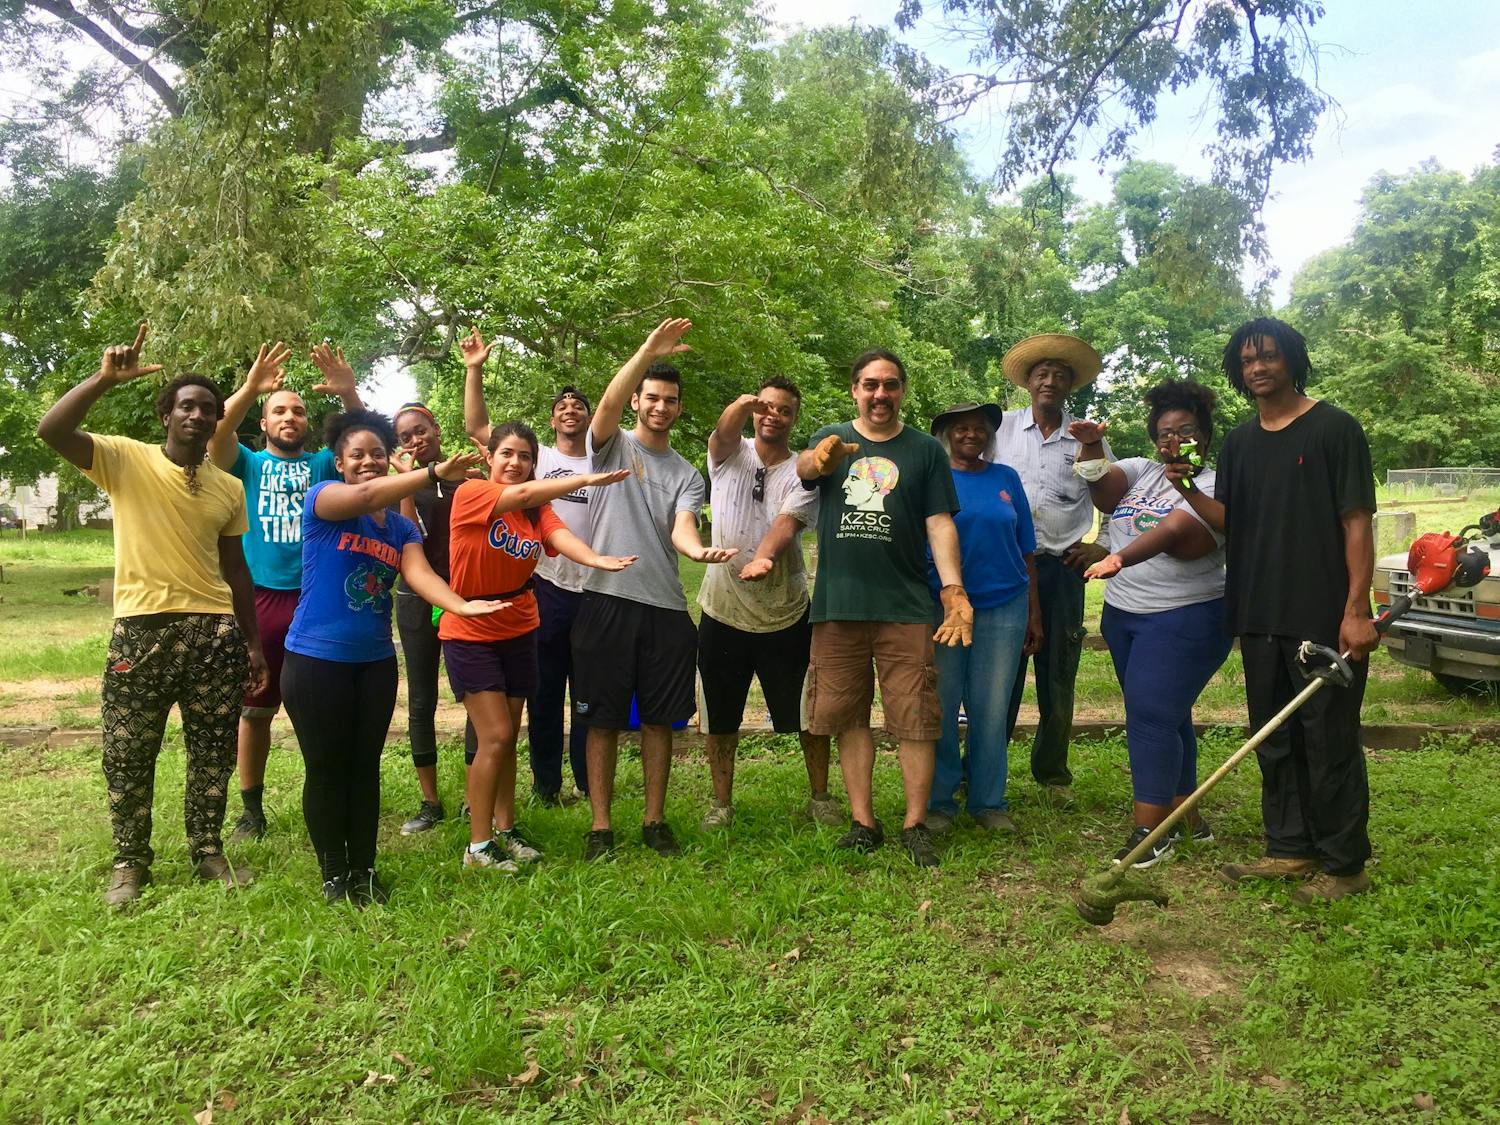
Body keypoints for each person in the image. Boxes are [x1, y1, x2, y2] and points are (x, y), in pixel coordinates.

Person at [37, 325, 268, 907]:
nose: (196, 415)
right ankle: (130, 861)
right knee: (127, 750)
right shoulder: (123, 459)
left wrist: (254, 643)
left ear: (218, 422)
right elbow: (52, 430)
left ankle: (208, 849)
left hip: (213, 632)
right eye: (185, 405)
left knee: (212, 749)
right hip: (141, 632)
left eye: (208, 410)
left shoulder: (228, 488)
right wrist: (102, 379)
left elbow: (236, 570)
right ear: (167, 413)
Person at [1171, 319, 1378, 904]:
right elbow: (1232, 522)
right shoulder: (1239, 442)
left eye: (1268, 356)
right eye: (1245, 360)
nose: (1257, 368)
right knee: (1275, 736)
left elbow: (1356, 521)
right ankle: (1289, 847)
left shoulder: (1335, 428)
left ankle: (1344, 865)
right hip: (1259, 612)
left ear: (1292, 359)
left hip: (1322, 613)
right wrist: (1187, 489)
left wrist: (1355, 609)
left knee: (1329, 739)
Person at [279, 409, 505, 905]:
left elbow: (419, 576)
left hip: (375, 662)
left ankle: (364, 869)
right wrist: (429, 474)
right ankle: (334, 874)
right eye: (356, 455)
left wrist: (460, 604)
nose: (367, 462)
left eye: (377, 454)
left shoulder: (401, 530)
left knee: (365, 766)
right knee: (327, 768)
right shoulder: (325, 502)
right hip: (316, 660)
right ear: (339, 463)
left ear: (388, 459)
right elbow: (362, 496)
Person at [796, 349, 974, 868]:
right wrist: (818, 459)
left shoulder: (924, 451)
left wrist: (954, 590)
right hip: (839, 606)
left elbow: (939, 523)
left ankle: (915, 824)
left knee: (916, 717)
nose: (880, 394)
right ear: (854, 389)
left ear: (901, 391)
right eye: (870, 384)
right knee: (849, 715)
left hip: (907, 605)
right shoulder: (830, 439)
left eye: (890, 385)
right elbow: (806, 469)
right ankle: (863, 821)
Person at [570, 318, 737, 860]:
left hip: (665, 607)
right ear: (638, 401)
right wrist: (646, 350)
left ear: (679, 409)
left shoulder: (689, 473)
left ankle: (654, 820)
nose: (660, 407)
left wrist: (695, 550)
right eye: (652, 398)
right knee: (602, 719)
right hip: (605, 599)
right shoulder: (611, 445)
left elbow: (683, 525)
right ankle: (600, 826)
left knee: (661, 720)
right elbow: (607, 405)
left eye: (670, 400)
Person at [444, 421, 637, 872]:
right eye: (507, 454)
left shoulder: (533, 511)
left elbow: (559, 536)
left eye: (525, 457)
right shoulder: (471, 494)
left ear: (534, 463)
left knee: (508, 738)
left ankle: (506, 829)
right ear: (489, 457)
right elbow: (530, 495)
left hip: (520, 626)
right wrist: (587, 478)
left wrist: (596, 560)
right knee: (494, 736)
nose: (515, 463)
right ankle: (478, 846)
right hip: (471, 629)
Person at [1068, 380, 1232, 867]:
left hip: (1186, 617)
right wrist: (1092, 445)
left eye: (1185, 431)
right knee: (1167, 714)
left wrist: (1119, 557)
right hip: (1125, 616)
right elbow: (1105, 494)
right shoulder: (1142, 470)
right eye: (1165, 433)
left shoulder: (1218, 485)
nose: (1174, 441)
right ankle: (1187, 818)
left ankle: (1148, 833)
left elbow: (1182, 533)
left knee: (1150, 717)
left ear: (1203, 434)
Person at [207, 340, 362, 843]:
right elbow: (217, 431)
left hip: (316, 599)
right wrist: (252, 387)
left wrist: (349, 394)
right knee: (255, 708)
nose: (289, 416)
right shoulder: (247, 464)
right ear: (265, 423)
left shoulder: (322, 463)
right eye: (279, 410)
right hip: (261, 601)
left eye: (297, 410)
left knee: (321, 705)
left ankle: (328, 794)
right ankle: (251, 810)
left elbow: (365, 441)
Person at [696, 378, 839, 830]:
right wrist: (739, 403)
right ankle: (721, 805)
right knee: (720, 715)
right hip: (722, 609)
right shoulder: (726, 454)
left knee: (807, 714)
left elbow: (787, 523)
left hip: (786, 611)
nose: (773, 415)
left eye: (784, 410)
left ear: (794, 419)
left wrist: (763, 556)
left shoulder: (802, 469)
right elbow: (721, 434)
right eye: (765, 407)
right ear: (753, 411)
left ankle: (821, 797)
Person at [461, 328, 596, 806]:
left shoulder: (606, 450)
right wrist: (474, 369)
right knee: (541, 695)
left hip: (595, 589)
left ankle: (586, 781)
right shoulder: (534, 463)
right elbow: (481, 430)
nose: (569, 407)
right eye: (561, 404)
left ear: (591, 415)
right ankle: (545, 784)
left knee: (588, 697)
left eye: (579, 403)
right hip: (546, 589)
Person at [988, 334, 1112, 801]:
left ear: (1070, 386)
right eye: (1041, 373)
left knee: (1059, 670)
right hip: (1006, 569)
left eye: (1060, 375)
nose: (1050, 381)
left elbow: (1114, 496)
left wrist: (1100, 545)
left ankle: (1052, 773)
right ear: (1027, 382)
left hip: (1061, 569)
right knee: (1001, 671)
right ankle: (986, 768)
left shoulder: (1085, 438)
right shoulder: (999, 431)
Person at [924, 402, 1043, 836]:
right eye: (961, 428)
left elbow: (1026, 548)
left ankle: (988, 801)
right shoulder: (933, 479)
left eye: (979, 429)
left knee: (991, 709)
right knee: (941, 703)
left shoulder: (1005, 479)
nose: (971, 435)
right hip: (945, 608)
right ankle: (939, 801)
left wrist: (1034, 613)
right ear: (947, 436)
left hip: (1004, 605)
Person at [388, 401, 479, 835]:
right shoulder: (395, 489)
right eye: (405, 437)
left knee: (476, 696)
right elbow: (411, 540)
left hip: (465, 598)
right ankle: (430, 802)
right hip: (417, 599)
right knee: (422, 700)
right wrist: (406, 484)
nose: (414, 440)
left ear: (436, 429)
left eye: (420, 430)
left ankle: (471, 797)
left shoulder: (468, 479)